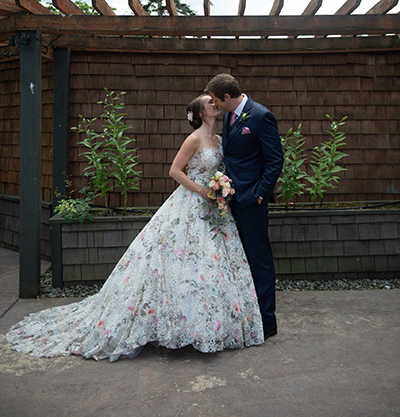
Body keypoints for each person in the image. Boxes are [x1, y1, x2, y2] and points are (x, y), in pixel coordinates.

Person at [6, 94, 263, 362]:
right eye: (208, 102)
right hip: (191, 203)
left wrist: (220, 188)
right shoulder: (194, 138)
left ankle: (209, 325)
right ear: (199, 113)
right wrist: (202, 190)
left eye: (214, 100)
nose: (214, 103)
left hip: (215, 209)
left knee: (211, 264)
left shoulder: (221, 140)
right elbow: (175, 171)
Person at [205, 74, 284, 340]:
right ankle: (247, 315)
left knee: (259, 258)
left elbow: (275, 161)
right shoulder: (228, 116)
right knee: (240, 259)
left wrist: (260, 195)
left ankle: (267, 320)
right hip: (231, 198)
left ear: (227, 97)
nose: (215, 105)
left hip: (252, 200)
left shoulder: (261, 116)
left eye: (216, 100)